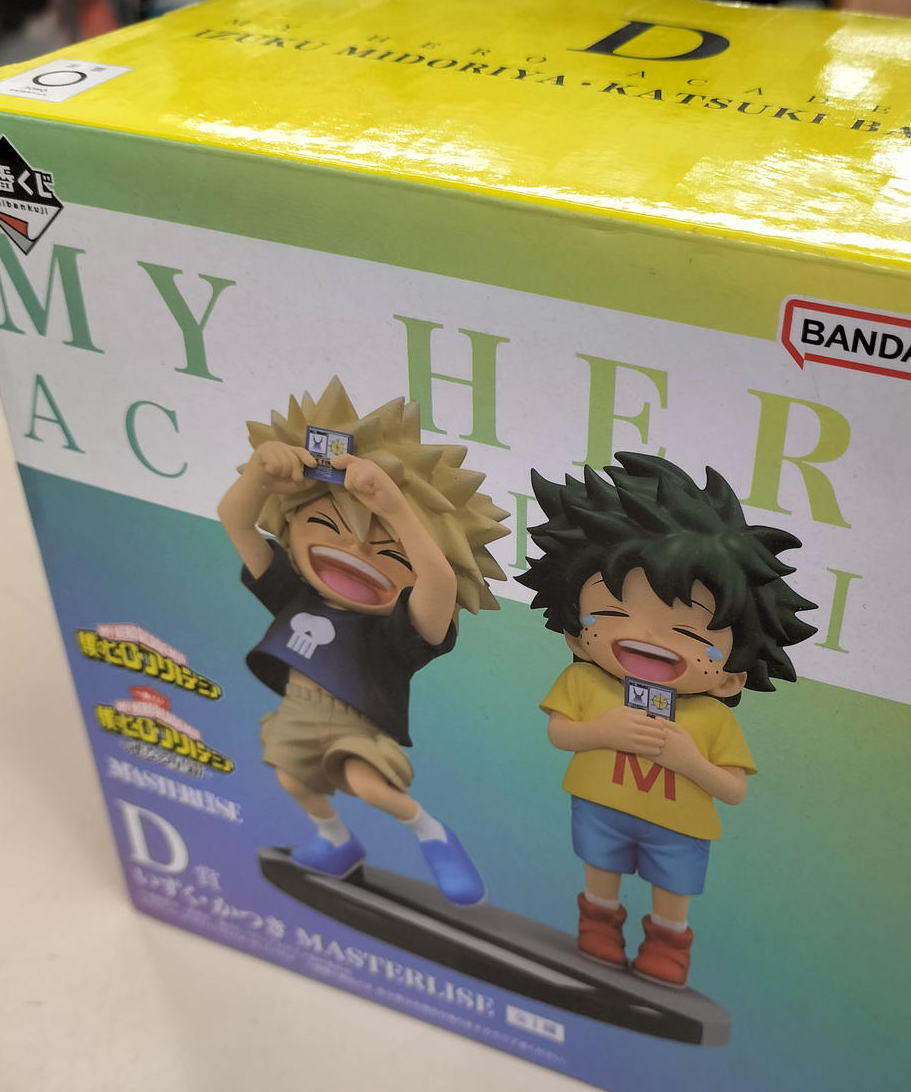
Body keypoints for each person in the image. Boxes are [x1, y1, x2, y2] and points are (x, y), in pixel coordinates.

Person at [519, 453, 815, 984]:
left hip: (679, 826)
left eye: (688, 632)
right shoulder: (585, 683)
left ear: (730, 678)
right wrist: (601, 731)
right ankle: (599, 925)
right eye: (613, 614)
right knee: (600, 872)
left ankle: (667, 946)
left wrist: (688, 760)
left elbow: (733, 790)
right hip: (600, 806)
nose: (647, 638)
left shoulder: (710, 716)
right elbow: (559, 733)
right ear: (575, 636)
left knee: (672, 891)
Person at [219, 378, 507, 903]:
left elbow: (438, 581)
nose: (353, 549)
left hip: (356, 721)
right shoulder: (294, 594)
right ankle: (335, 841)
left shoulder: (397, 628)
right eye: (325, 524)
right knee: (291, 778)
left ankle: (433, 836)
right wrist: (260, 474)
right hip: (298, 712)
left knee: (369, 784)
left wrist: (397, 511)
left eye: (389, 550)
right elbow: (236, 522)